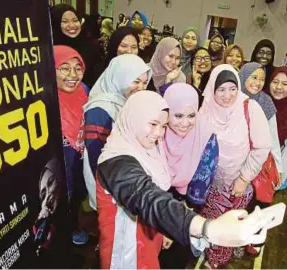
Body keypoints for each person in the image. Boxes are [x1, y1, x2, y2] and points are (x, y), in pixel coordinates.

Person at [97, 91, 270, 269]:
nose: (159, 133)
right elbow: (147, 198)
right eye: (153, 124)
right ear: (134, 119)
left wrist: (165, 228)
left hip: (147, 239)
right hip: (126, 251)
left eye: (163, 125)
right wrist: (208, 229)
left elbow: (159, 193)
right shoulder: (116, 162)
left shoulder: (146, 148)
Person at [199, 64, 272, 268]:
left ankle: (216, 261)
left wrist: (243, 178)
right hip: (211, 184)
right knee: (211, 222)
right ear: (212, 88)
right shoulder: (206, 108)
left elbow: (262, 147)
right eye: (221, 89)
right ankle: (209, 250)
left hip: (237, 184)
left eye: (232, 88)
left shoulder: (250, 108)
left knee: (229, 228)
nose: (227, 95)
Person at [159, 83, 218, 269]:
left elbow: (202, 181)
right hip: (154, 203)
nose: (185, 123)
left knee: (175, 258)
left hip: (186, 206)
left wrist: (177, 219)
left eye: (192, 115)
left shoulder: (206, 134)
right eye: (178, 115)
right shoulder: (156, 131)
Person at [83, 54, 151, 209]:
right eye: (135, 81)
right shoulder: (100, 110)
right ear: (120, 78)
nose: (141, 87)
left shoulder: (126, 102)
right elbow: (97, 158)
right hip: (108, 188)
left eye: (145, 82)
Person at [54, 45, 89, 245]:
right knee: (59, 199)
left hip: (79, 157)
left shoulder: (84, 91)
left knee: (77, 194)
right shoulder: (44, 97)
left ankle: (72, 226)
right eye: (65, 68)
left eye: (78, 68)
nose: (73, 75)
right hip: (59, 163)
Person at [239, 62, 283, 184]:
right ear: (243, 76)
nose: (258, 83)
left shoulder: (265, 102)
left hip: (255, 160)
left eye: (262, 79)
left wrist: (278, 167)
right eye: (254, 77)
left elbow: (273, 137)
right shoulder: (232, 97)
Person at [50, 4, 100, 87]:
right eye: (65, 21)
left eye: (75, 20)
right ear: (55, 23)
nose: (72, 25)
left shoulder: (89, 46)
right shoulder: (49, 51)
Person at [268, 67, 287, 189]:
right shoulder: (261, 101)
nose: (279, 87)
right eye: (275, 82)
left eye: (285, 84)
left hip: (277, 160)